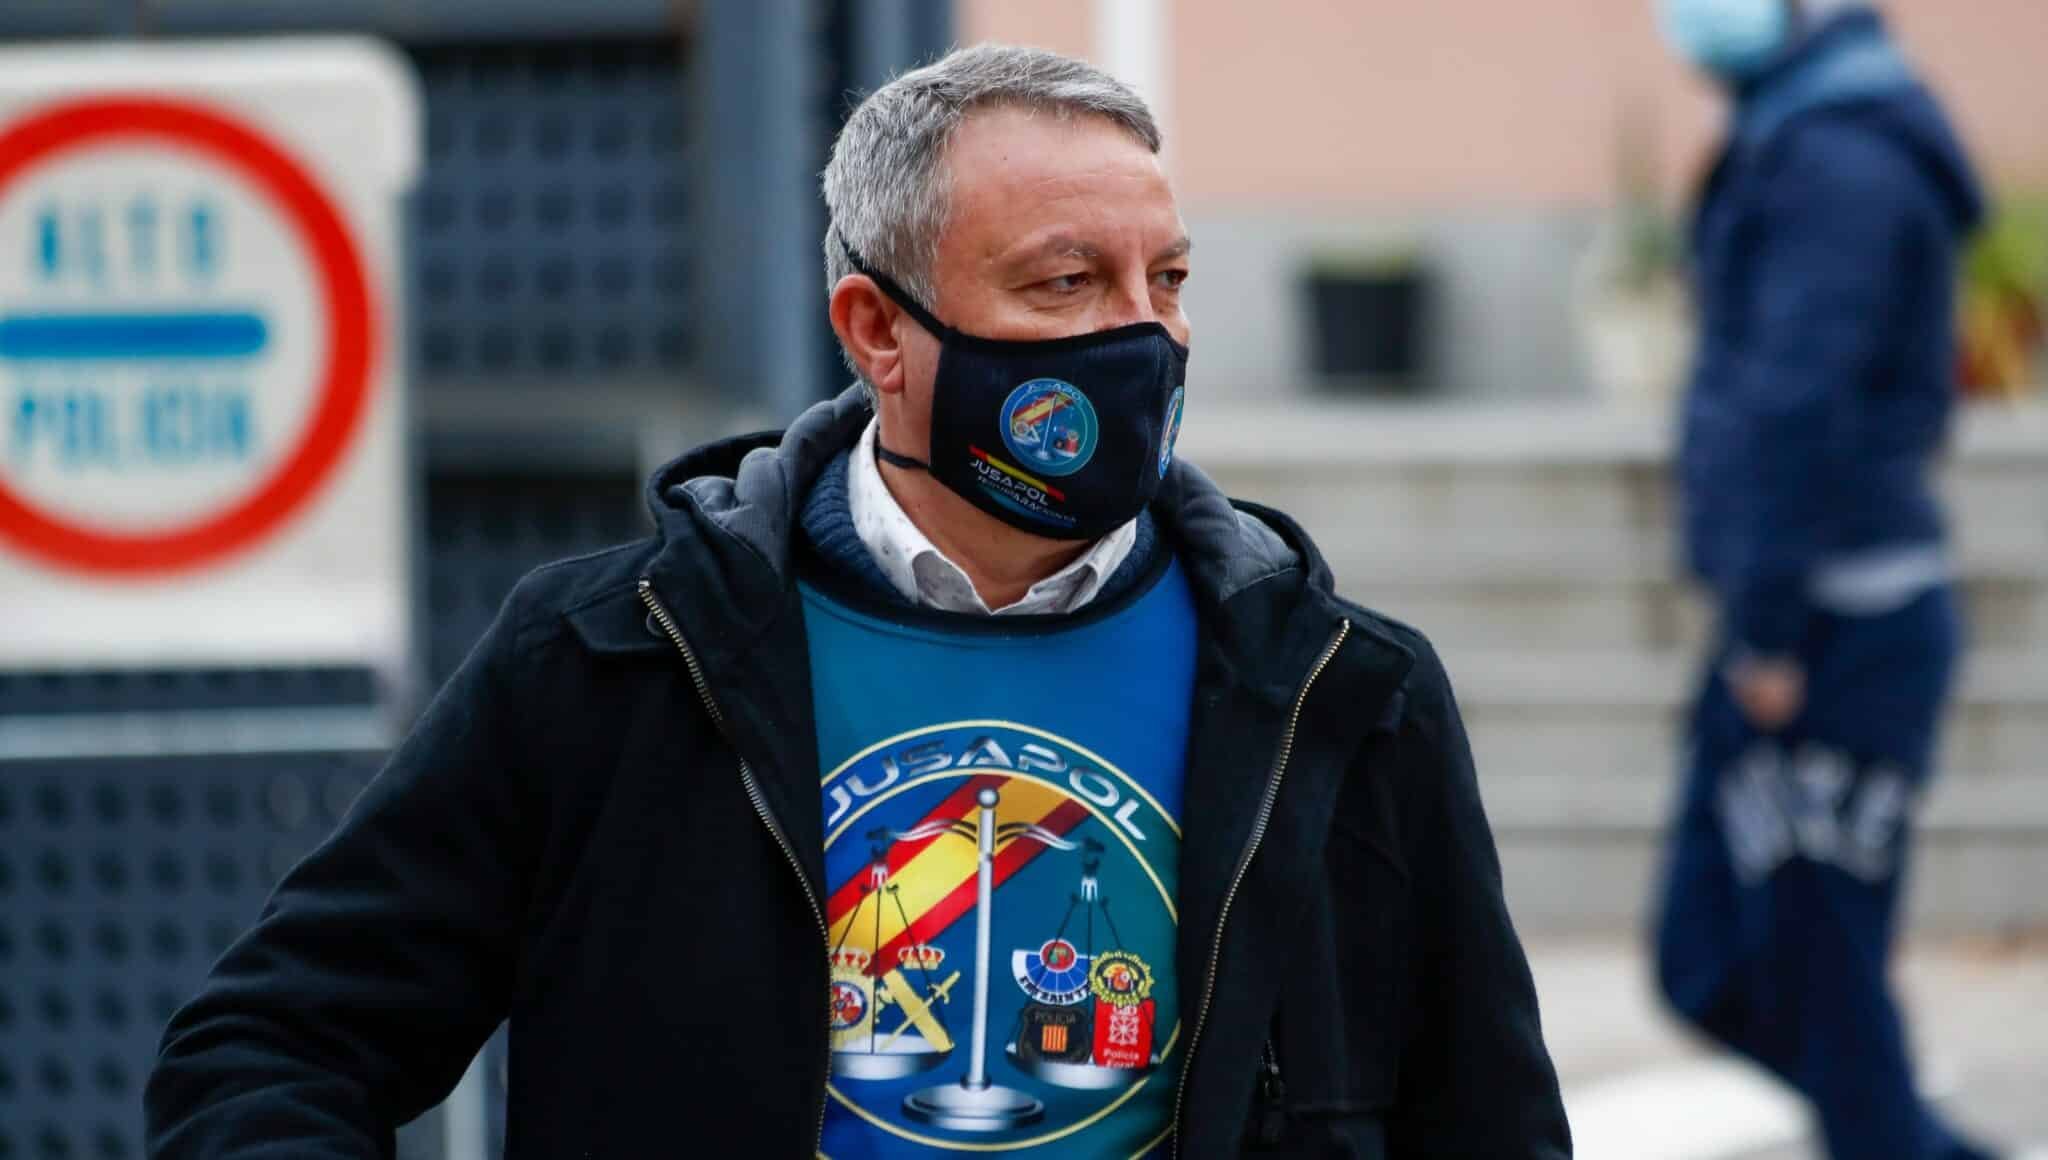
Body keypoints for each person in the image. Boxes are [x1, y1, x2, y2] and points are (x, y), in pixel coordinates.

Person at [147, 44, 1570, 1157]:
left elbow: (1489, 1126)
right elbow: (273, 1046)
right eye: (1067, 283)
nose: (1143, 335)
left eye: (1168, 278)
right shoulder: (614, 661)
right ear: (879, 332)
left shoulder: (1342, 693)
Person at [1651, 3, 1996, 1158]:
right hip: (1796, 609)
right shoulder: (1799, 130)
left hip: (1829, 624)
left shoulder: (1837, 159)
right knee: (1714, 962)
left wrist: (1766, 632)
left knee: (1819, 980)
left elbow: (1799, 405)